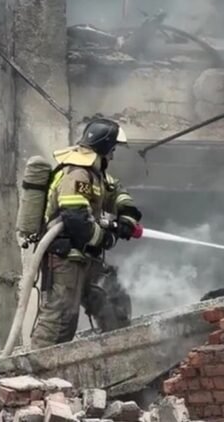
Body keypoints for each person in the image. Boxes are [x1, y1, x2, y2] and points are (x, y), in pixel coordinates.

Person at [30, 118, 142, 349]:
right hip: (66, 258)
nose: (113, 156)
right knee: (61, 318)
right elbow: (75, 218)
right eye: (112, 150)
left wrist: (126, 217)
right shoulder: (78, 173)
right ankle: (39, 365)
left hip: (86, 257)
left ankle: (118, 351)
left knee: (111, 299)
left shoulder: (95, 174)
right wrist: (106, 237)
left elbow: (116, 192)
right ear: (105, 147)